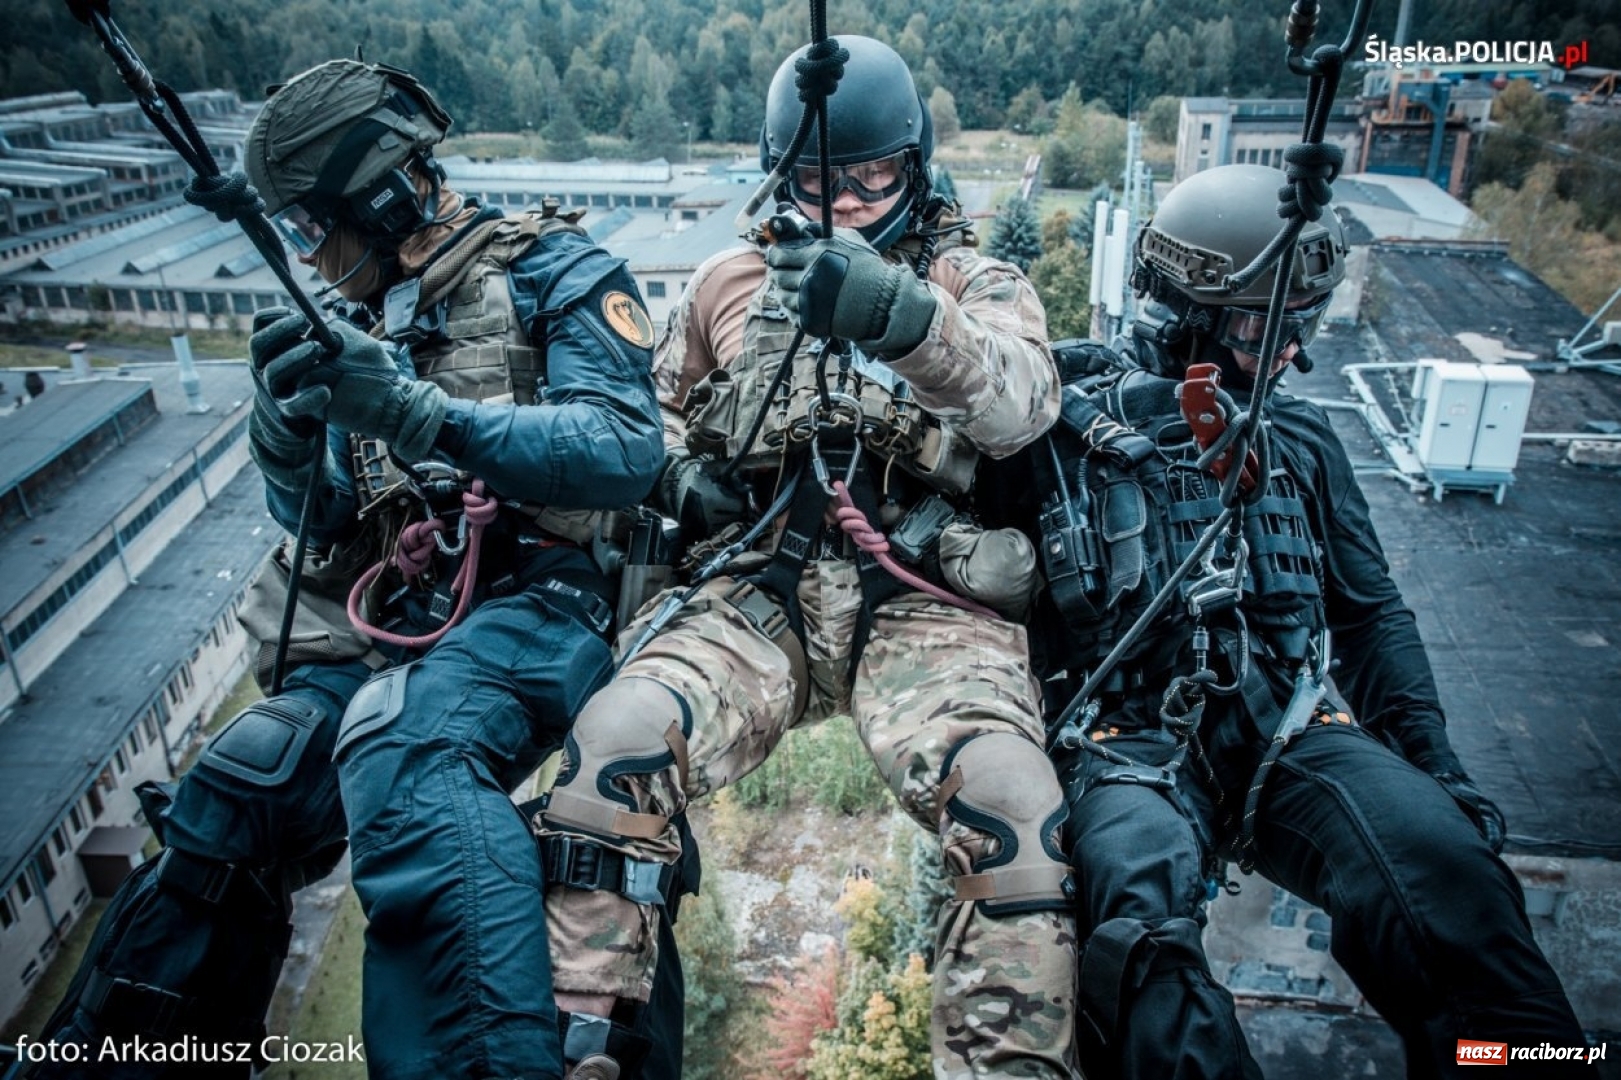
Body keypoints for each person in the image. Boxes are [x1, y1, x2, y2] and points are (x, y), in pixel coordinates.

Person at [29, 58, 683, 1080]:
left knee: (407, 746)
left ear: (376, 195)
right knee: (246, 776)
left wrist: (430, 416)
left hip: (546, 597)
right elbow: (326, 518)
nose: (307, 254)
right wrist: (286, 431)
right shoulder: (363, 323)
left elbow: (623, 448)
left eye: (309, 226)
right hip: (410, 610)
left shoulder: (555, 270)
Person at [532, 35, 1080, 1080]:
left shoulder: (971, 277)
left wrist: (901, 315)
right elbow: (642, 425)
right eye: (818, 178)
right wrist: (674, 479)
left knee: (1011, 800)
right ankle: (582, 1040)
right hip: (758, 589)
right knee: (617, 740)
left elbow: (1023, 405)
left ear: (911, 166)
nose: (844, 202)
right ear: (780, 174)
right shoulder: (724, 281)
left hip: (929, 600)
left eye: (870, 175)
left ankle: (1006, 1064)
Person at [987, 163, 1592, 1079]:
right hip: (1126, 744)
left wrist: (1434, 765)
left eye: (1298, 325)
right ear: (1182, 308)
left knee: (1451, 877)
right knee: (1133, 931)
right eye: (1256, 326)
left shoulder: (1302, 442)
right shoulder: (1056, 430)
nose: (1286, 350)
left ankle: (1515, 1065)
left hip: (1292, 734)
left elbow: (1369, 614)